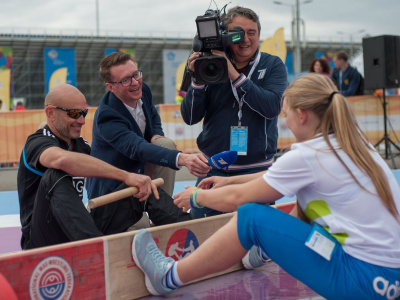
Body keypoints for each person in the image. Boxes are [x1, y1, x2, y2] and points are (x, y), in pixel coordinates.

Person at [132, 73, 400, 299]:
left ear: (302, 115)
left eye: (286, 115)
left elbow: (239, 199)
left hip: (365, 280)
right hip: (388, 279)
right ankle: (263, 250)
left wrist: (197, 197)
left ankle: (167, 277)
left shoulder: (310, 155)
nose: (286, 122)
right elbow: (275, 174)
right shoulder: (351, 144)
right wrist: (228, 180)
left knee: (252, 218)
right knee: (308, 201)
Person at [17, 84, 158, 250]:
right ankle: (98, 250)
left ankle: (179, 228)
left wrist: (135, 176)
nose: (82, 121)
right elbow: (62, 160)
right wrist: (124, 175)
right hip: (41, 240)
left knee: (137, 182)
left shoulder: (82, 146)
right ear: (51, 113)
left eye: (84, 113)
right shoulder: (36, 142)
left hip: (75, 231)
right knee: (54, 174)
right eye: (74, 114)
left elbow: (103, 171)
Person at [180, 6, 288, 219]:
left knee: (255, 239)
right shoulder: (208, 62)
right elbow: (190, 117)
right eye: (238, 33)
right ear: (225, 35)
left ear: (259, 34)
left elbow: (272, 107)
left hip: (255, 171)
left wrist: (234, 75)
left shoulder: (272, 64)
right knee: (205, 237)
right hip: (214, 169)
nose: (246, 39)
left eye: (252, 32)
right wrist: (197, 79)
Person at [86, 52, 211, 234]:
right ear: (111, 87)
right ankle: (151, 216)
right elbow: (137, 147)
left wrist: (156, 135)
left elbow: (153, 115)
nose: (135, 82)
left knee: (164, 144)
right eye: (126, 80)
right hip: (114, 193)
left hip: (142, 176)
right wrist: (183, 159)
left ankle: (162, 208)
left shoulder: (143, 90)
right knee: (141, 233)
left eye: (136, 74)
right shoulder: (107, 117)